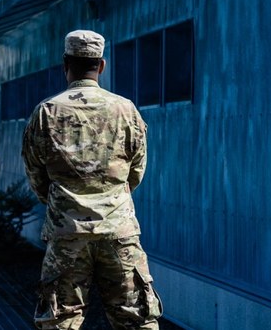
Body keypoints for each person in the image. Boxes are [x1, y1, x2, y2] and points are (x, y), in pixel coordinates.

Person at [21, 29, 161, 330]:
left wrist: (64, 201)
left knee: (60, 322)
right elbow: (136, 172)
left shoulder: (46, 113)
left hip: (67, 233)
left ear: (65, 64)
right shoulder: (126, 110)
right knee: (135, 320)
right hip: (118, 230)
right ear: (101, 65)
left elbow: (36, 175)